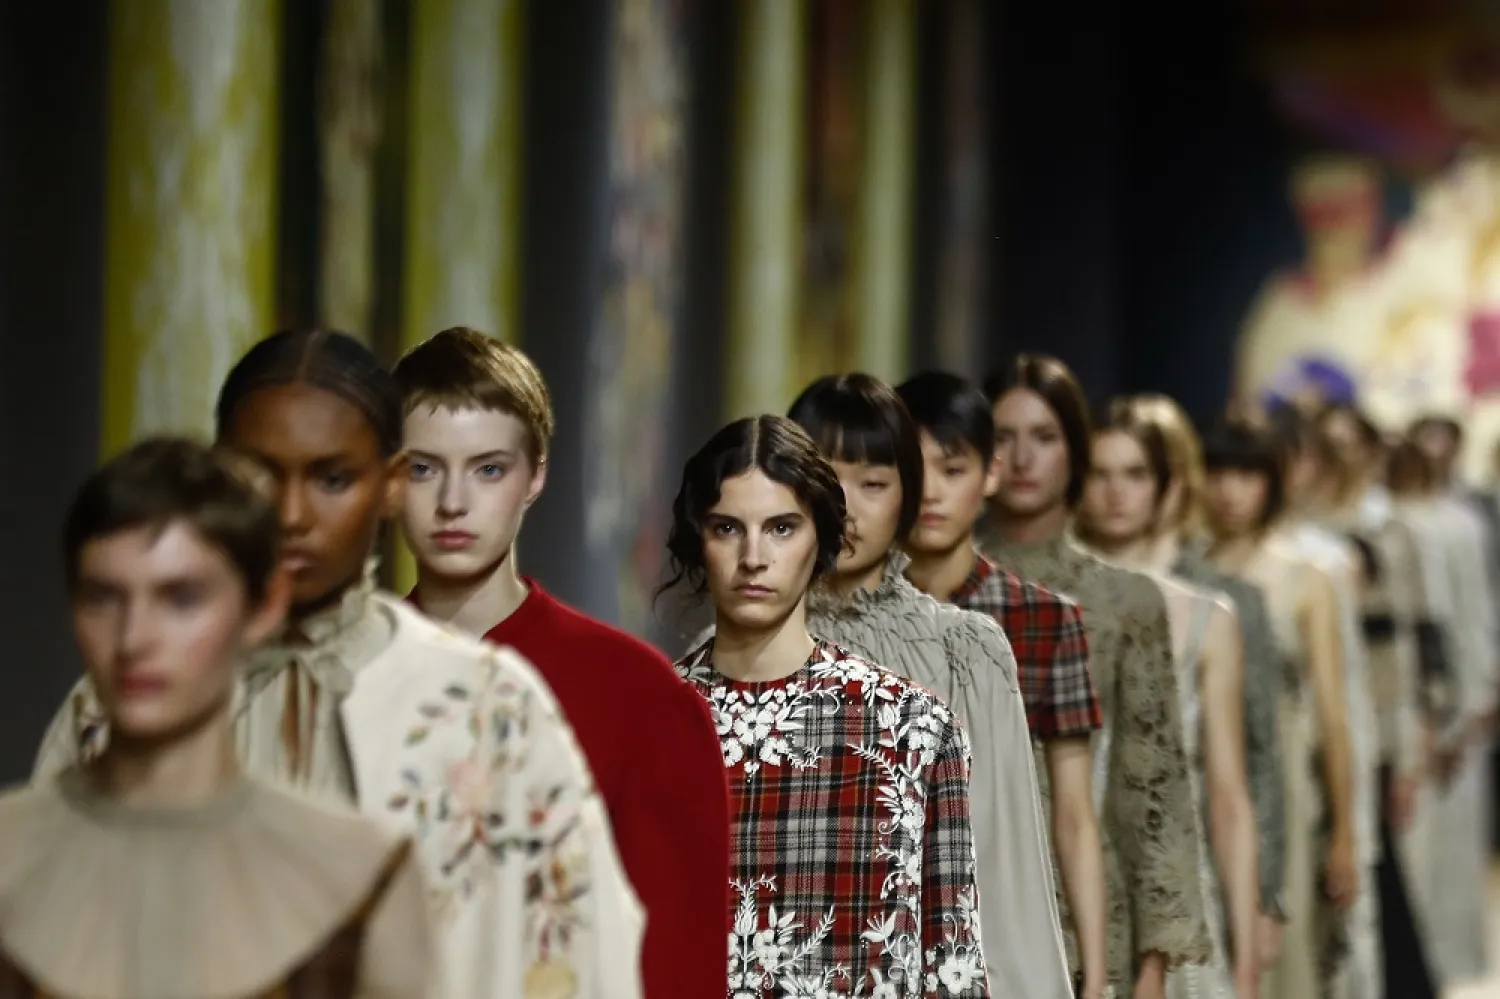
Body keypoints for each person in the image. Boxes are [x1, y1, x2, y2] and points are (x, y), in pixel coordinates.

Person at [34, 330, 643, 999]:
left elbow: (581, 958)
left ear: (388, 483)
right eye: (261, 474)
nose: (292, 515)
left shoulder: (487, 707)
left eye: (332, 477)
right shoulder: (118, 705)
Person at [1, 437, 432, 997]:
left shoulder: (361, 878)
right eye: (104, 598)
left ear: (265, 604)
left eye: (181, 599)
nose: (134, 639)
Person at [392, 326, 730, 999]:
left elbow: (677, 970)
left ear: (536, 474)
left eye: (488, 468)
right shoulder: (341, 683)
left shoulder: (640, 699)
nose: (453, 501)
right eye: (422, 467)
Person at [668, 414, 990, 997]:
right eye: (726, 528)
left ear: (823, 538)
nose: (754, 556)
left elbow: (953, 962)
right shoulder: (649, 725)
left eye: (782, 528)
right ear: (698, 540)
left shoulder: (913, 729)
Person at [980, 353, 1212, 998]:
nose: (1022, 459)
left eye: (1045, 438)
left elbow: (1153, 779)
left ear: (1074, 452)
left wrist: (1153, 963)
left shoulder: (1123, 600)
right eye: (1002, 436)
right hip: (959, 905)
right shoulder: (930, 593)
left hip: (1084, 916)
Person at [895, 370, 1109, 999]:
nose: (931, 491)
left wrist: (1092, 973)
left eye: (954, 468)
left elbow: (1072, 813)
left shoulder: (1045, 620)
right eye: (913, 467)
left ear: (990, 475)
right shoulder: (846, 625)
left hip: (1005, 911)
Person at [1077, 403, 1262, 999]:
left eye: (1134, 475)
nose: (1115, 493)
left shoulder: (1210, 617)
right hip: (1070, 875)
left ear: (1164, 487)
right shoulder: (1041, 608)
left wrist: (1250, 960)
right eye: (1100, 473)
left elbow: (1229, 796)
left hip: (1173, 882)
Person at [1122, 394, 1289, 974]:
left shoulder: (1230, 601)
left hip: (1196, 865)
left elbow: (1258, 757)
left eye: (1146, 469)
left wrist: (1265, 896)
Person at [1198, 416, 1358, 999]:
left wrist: (1343, 833)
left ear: (1270, 482)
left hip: (1285, 782)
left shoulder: (1304, 579)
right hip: (1197, 770)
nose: (1229, 489)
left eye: (1246, 473)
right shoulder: (1180, 570)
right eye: (1216, 472)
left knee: (1282, 957)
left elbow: (1335, 718)